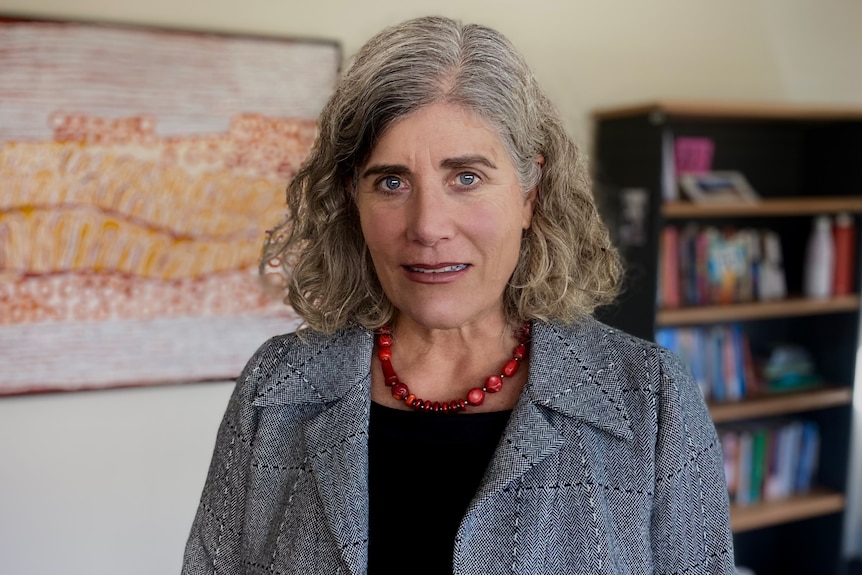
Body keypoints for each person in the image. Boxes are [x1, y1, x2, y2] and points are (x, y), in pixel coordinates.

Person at [182, 15, 735, 575]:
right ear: (354, 198)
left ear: (528, 195)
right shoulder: (276, 387)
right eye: (391, 182)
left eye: (466, 177)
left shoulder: (650, 399)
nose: (427, 226)